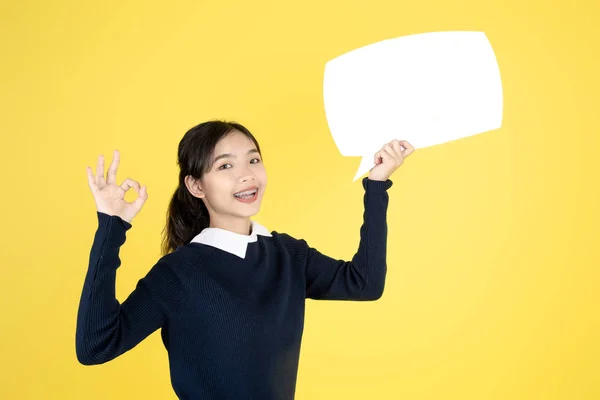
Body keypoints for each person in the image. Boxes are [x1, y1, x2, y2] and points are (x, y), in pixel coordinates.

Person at [75, 120, 415, 399]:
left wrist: (376, 184)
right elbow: (96, 346)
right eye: (225, 165)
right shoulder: (179, 274)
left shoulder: (288, 255)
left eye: (253, 160)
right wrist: (111, 227)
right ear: (196, 186)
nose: (247, 174)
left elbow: (365, 283)